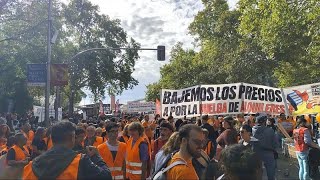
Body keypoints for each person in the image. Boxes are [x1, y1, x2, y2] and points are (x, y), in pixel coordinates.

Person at [22, 121, 112, 179]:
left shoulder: (31, 165)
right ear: (72, 138)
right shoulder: (80, 161)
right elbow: (106, 176)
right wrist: (96, 156)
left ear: (52, 139)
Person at [252, 115, 277, 180]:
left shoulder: (252, 130)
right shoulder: (270, 130)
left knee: (257, 174)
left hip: (256, 154)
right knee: (270, 174)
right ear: (264, 122)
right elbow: (275, 144)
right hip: (268, 154)